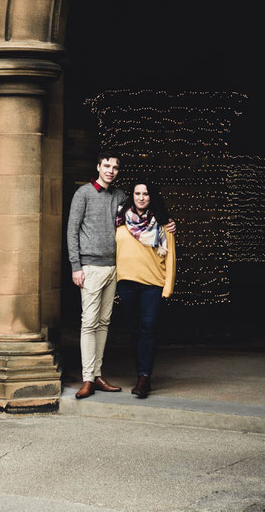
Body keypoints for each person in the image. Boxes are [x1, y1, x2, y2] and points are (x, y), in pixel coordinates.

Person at [67, 152, 175, 400]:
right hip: (90, 267)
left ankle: (97, 374)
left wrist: (170, 223)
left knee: (104, 322)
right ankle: (87, 379)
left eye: (115, 167)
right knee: (89, 322)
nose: (110, 170)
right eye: (106, 165)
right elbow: (72, 231)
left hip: (115, 269)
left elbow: (144, 217)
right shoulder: (83, 193)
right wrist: (76, 266)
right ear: (98, 166)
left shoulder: (120, 197)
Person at [115, 181, 176, 399]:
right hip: (126, 282)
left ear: (152, 197)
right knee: (134, 330)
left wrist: (167, 286)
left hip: (153, 283)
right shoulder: (119, 222)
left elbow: (171, 258)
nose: (141, 197)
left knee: (148, 328)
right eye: (137, 193)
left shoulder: (163, 224)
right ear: (132, 196)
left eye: (146, 194)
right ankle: (140, 371)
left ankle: (144, 377)